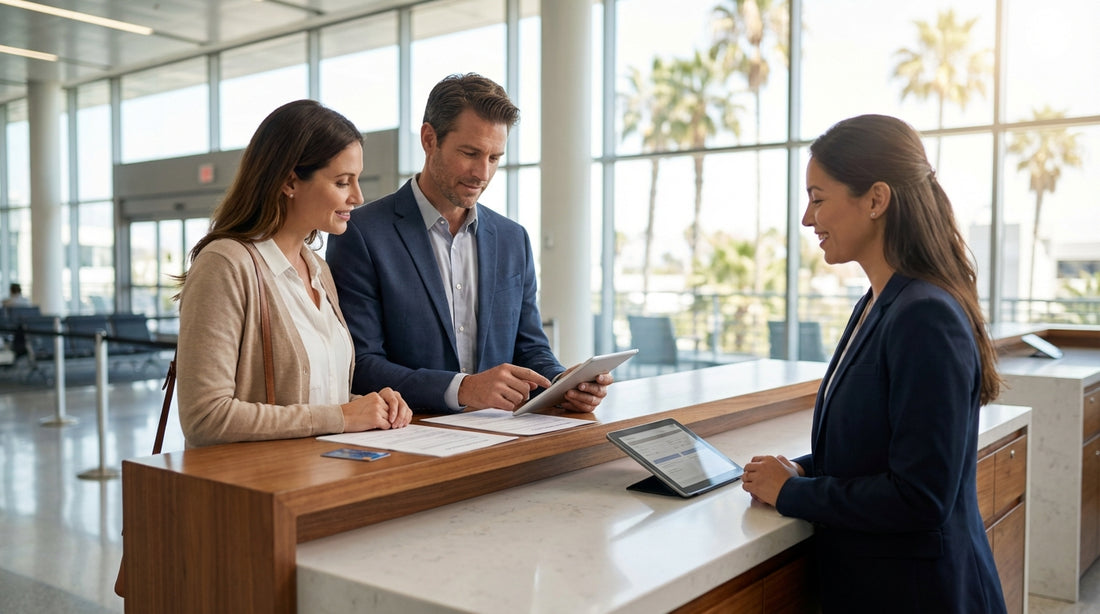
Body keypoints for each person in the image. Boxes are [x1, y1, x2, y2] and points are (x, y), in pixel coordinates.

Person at [740, 115, 1007, 613]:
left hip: (923, 596)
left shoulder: (925, 315)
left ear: (876, 200)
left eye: (818, 198)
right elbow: (880, 449)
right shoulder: (876, 303)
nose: (806, 217)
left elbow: (919, 495)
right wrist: (800, 468)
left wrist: (795, 493)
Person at [327, 73, 611, 414]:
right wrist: (463, 389)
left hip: (500, 436)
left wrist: (564, 383)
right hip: (411, 435)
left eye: (494, 158)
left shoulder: (512, 239)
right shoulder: (362, 233)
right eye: (470, 153)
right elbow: (361, 364)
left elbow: (531, 347)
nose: (483, 173)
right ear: (429, 139)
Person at [175, 99, 412, 447]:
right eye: (343, 182)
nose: (358, 197)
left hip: (321, 479)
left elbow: (312, 397)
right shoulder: (225, 265)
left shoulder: (319, 270)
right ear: (290, 182)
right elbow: (206, 417)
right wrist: (343, 416)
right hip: (256, 490)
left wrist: (370, 406)